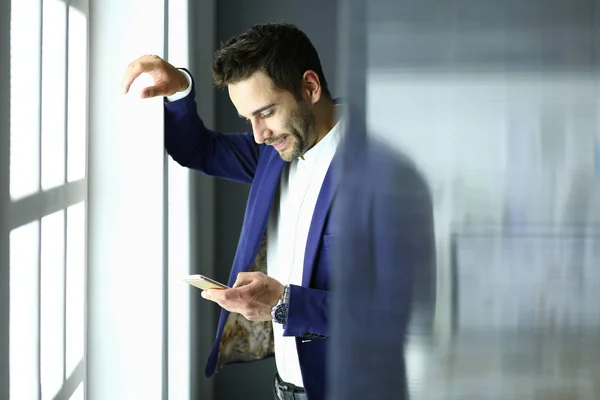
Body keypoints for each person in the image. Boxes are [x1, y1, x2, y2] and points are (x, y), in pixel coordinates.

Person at [121, 23, 435, 400]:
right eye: (247, 119)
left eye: (266, 112)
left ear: (310, 87)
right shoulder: (270, 154)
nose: (258, 134)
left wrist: (286, 304)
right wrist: (179, 90)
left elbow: (400, 315)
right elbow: (197, 150)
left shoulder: (386, 172)